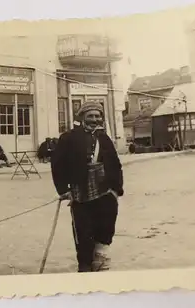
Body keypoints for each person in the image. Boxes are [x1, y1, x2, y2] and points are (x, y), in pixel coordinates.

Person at [51, 102, 124, 273]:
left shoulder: (104, 139)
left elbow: (115, 164)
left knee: (106, 226)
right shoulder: (68, 138)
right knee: (83, 232)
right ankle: (84, 266)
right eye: (90, 116)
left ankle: (100, 259)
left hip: (105, 191)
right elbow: (57, 165)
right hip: (81, 192)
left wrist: (116, 189)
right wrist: (63, 190)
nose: (94, 119)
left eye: (97, 116)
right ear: (82, 117)